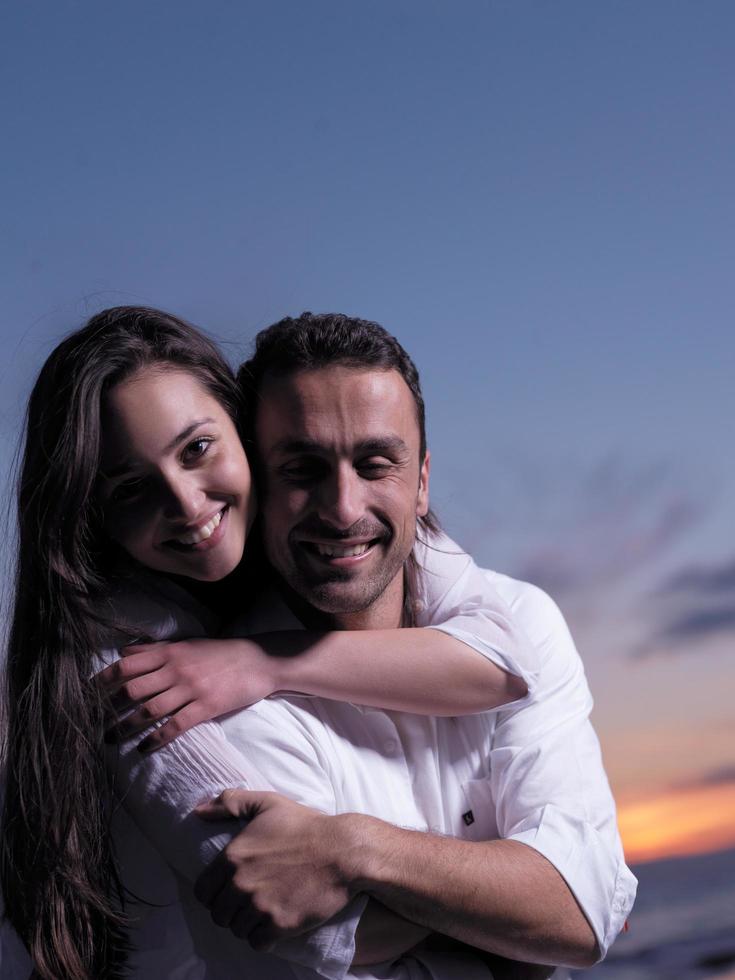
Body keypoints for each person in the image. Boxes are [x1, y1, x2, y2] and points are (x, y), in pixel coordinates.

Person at [0, 306, 540, 980]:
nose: (187, 504)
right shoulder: (120, 661)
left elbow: (506, 664)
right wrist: (524, 915)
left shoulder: (330, 535)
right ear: (92, 516)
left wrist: (262, 661)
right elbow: (311, 929)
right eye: (132, 488)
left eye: (197, 450)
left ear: (248, 436)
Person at [108, 312, 637, 977]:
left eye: (374, 463)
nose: (342, 508)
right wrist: (516, 909)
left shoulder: (520, 618)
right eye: (301, 468)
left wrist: (355, 849)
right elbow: (321, 937)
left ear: (420, 482)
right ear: (258, 482)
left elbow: (577, 915)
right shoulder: (213, 705)